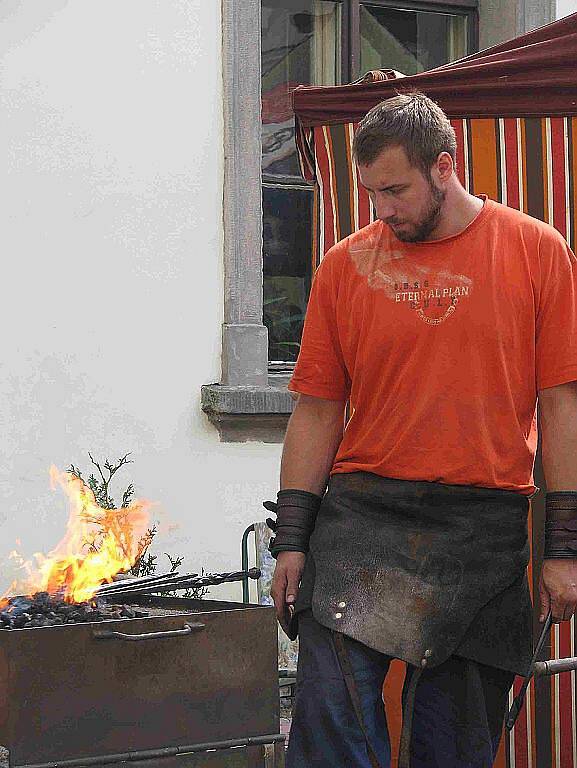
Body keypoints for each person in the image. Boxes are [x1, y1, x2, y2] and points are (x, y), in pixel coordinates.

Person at [264, 92, 577, 768]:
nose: (382, 209)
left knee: (452, 748)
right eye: (371, 192)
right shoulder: (344, 267)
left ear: (444, 166)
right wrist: (291, 541)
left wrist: (563, 547)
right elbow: (317, 410)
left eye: (396, 189)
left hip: (481, 523)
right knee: (329, 726)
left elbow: (559, 406)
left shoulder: (534, 250)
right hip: (360, 519)